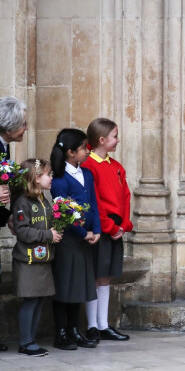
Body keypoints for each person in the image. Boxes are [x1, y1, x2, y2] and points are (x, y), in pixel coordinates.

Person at [50, 129, 101, 350]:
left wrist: (97, 230)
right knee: (64, 286)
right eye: (83, 148)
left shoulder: (87, 174)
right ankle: (61, 332)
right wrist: (84, 233)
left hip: (85, 239)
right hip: (69, 240)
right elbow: (63, 213)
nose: (87, 151)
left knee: (78, 285)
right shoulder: (59, 179)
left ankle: (74, 329)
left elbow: (94, 204)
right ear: (71, 152)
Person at [81, 118, 131, 342]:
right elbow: (95, 202)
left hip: (116, 227)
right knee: (95, 275)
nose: (118, 140)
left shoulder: (117, 166)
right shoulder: (89, 167)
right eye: (115, 136)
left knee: (106, 276)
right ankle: (92, 325)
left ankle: (103, 324)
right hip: (101, 227)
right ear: (102, 140)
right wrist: (109, 227)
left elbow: (126, 196)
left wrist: (124, 224)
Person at [11, 158, 62, 356]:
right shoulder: (23, 202)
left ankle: (31, 339)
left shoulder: (43, 199)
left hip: (44, 260)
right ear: (36, 178)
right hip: (28, 261)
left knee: (40, 300)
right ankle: (25, 342)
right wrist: (47, 235)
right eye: (47, 175)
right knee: (30, 301)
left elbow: (47, 225)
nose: (51, 178)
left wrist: (57, 229)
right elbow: (23, 231)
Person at [0, 95, 28, 352]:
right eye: (23, 124)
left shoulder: (4, 146)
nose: (26, 129)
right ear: (9, 128)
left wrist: (7, 215)